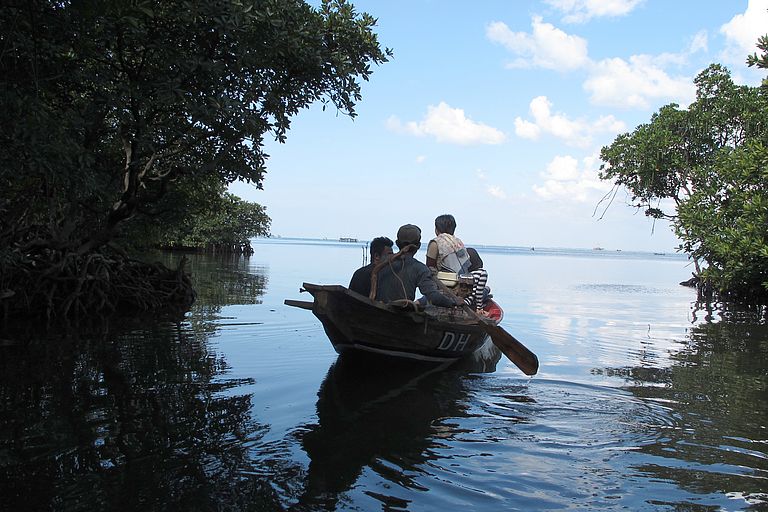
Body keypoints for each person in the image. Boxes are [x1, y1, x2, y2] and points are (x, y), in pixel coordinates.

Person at [374, 224, 464, 307]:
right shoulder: (420, 268)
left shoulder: (380, 263)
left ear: (397, 243)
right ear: (419, 246)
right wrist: (454, 302)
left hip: (378, 310)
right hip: (401, 315)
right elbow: (433, 296)